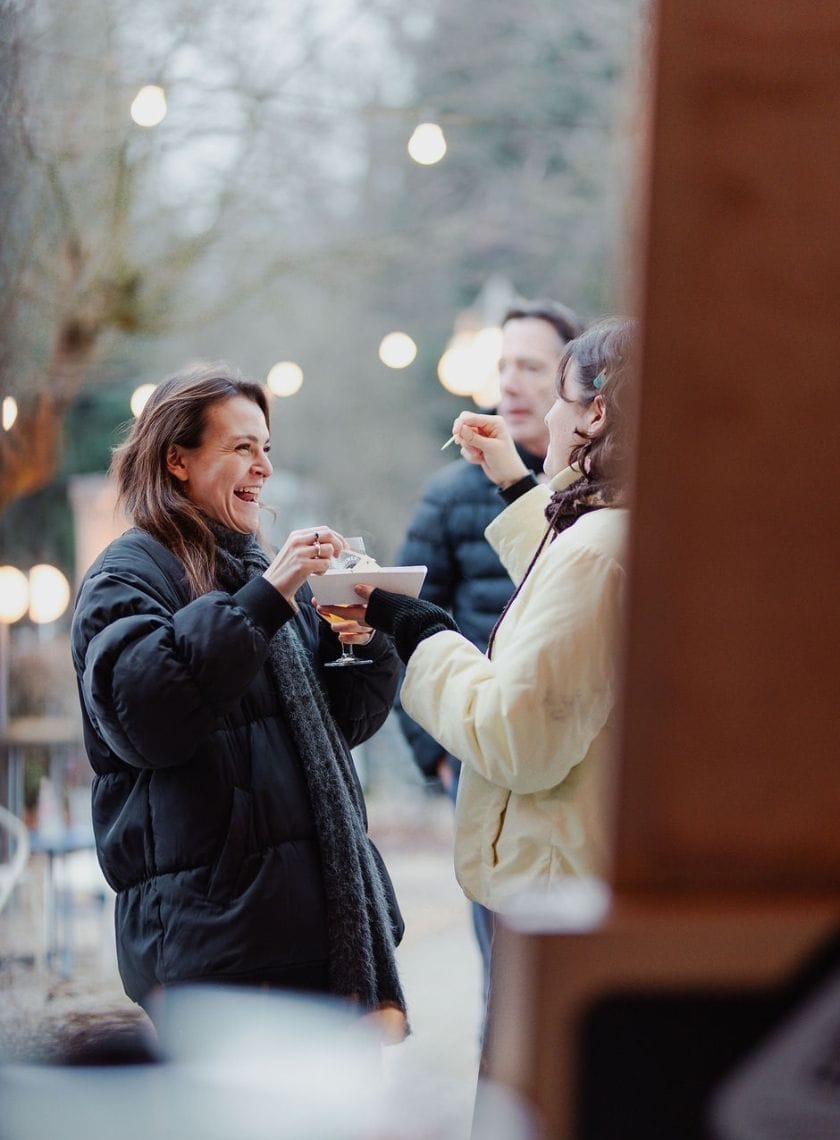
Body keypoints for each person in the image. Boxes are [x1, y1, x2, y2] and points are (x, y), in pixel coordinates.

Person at [70, 363, 408, 1042]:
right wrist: (266, 599)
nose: (262, 468)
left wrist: (362, 640)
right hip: (215, 937)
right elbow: (150, 719)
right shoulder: (125, 575)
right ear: (178, 460)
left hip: (308, 929)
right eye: (241, 448)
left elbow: (340, 729)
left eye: (267, 449)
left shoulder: (255, 570)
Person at [345, 316, 635, 919]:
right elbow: (569, 577)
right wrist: (511, 481)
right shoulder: (630, 529)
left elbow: (520, 739)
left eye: (557, 392)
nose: (548, 414)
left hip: (555, 889)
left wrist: (420, 630)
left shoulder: (596, 551)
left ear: (596, 414)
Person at [394, 299, 583, 987]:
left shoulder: (601, 508)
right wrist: (441, 760)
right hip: (479, 746)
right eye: (501, 365)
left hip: (567, 760)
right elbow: (407, 613)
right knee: (502, 975)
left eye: (531, 367)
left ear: (576, 389)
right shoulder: (449, 495)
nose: (509, 382)